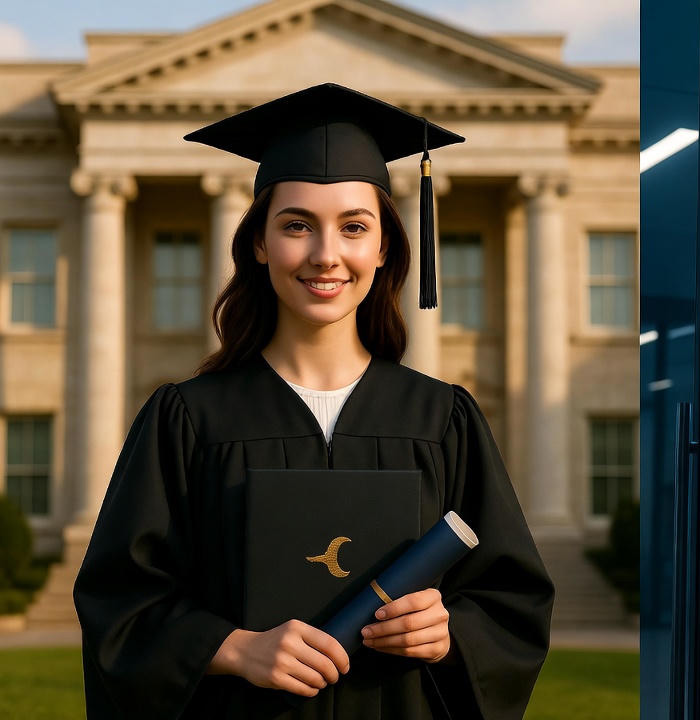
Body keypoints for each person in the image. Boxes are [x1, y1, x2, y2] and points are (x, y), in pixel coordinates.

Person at [73, 84, 554, 720]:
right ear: (258, 243)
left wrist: (449, 634)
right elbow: (120, 604)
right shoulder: (188, 420)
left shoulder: (442, 419)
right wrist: (231, 648)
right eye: (296, 225)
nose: (326, 255)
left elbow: (512, 604)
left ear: (383, 248)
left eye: (354, 227)